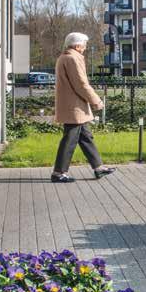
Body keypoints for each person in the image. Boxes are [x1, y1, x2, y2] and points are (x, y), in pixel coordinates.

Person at [51, 32, 116, 183]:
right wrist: (96, 100)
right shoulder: (73, 59)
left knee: (86, 137)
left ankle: (98, 167)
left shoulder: (65, 57)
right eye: (84, 45)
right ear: (77, 45)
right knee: (69, 140)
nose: (85, 48)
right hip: (75, 107)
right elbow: (81, 84)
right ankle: (58, 173)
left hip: (73, 106)